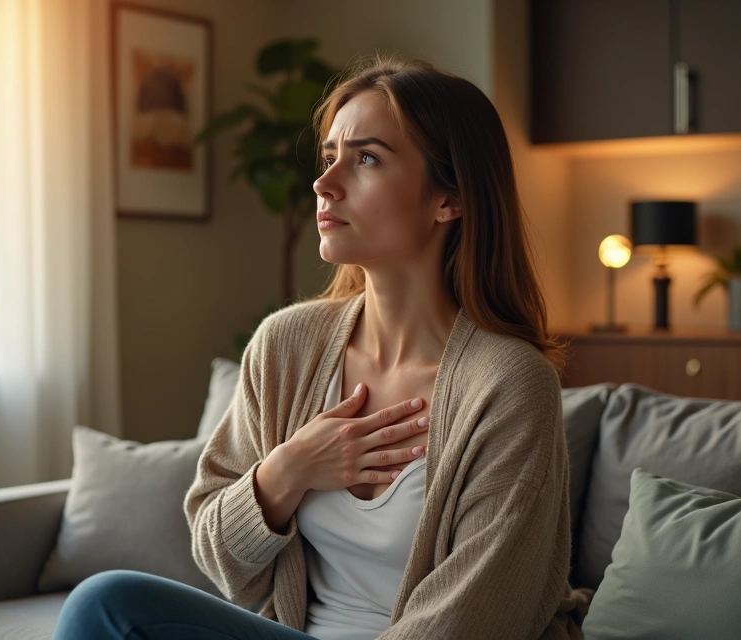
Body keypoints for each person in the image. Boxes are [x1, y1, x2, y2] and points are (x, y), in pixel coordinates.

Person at [52, 54, 591, 640]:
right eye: (330, 156)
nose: (323, 183)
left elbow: (480, 615)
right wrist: (287, 469)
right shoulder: (286, 345)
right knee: (106, 605)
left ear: (449, 198)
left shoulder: (509, 383)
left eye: (366, 159)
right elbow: (218, 558)